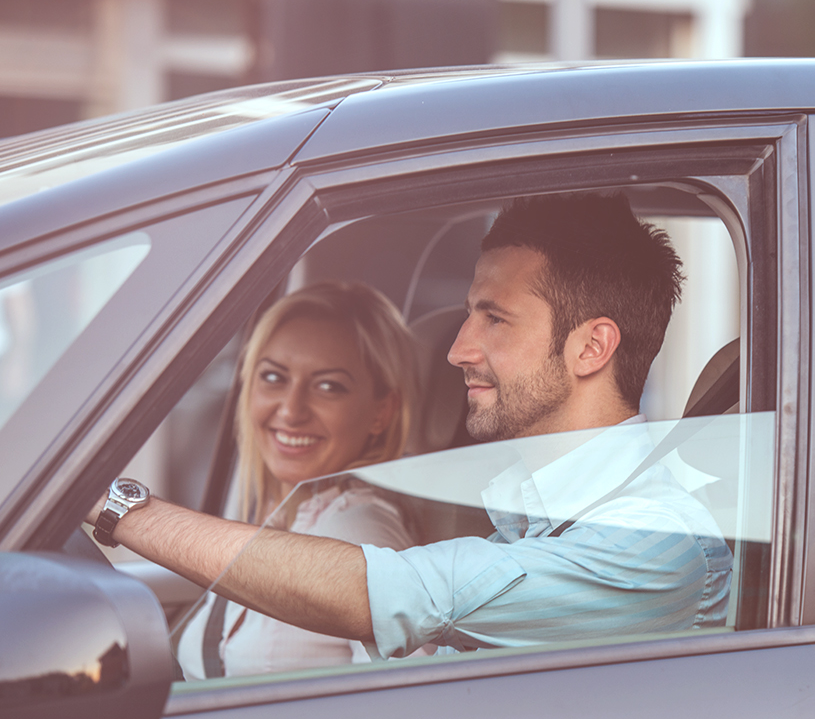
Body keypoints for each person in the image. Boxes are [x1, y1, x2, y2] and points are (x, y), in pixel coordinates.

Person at [88, 193, 732, 663]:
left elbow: (381, 593)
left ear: (592, 348)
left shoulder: (653, 541)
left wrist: (111, 502)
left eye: (494, 319)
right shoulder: (532, 517)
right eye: (467, 315)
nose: (457, 349)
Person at [175, 281, 418, 677]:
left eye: (328, 386)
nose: (290, 410)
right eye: (273, 377)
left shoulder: (359, 532)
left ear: (381, 412)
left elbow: (407, 706)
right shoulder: (280, 517)